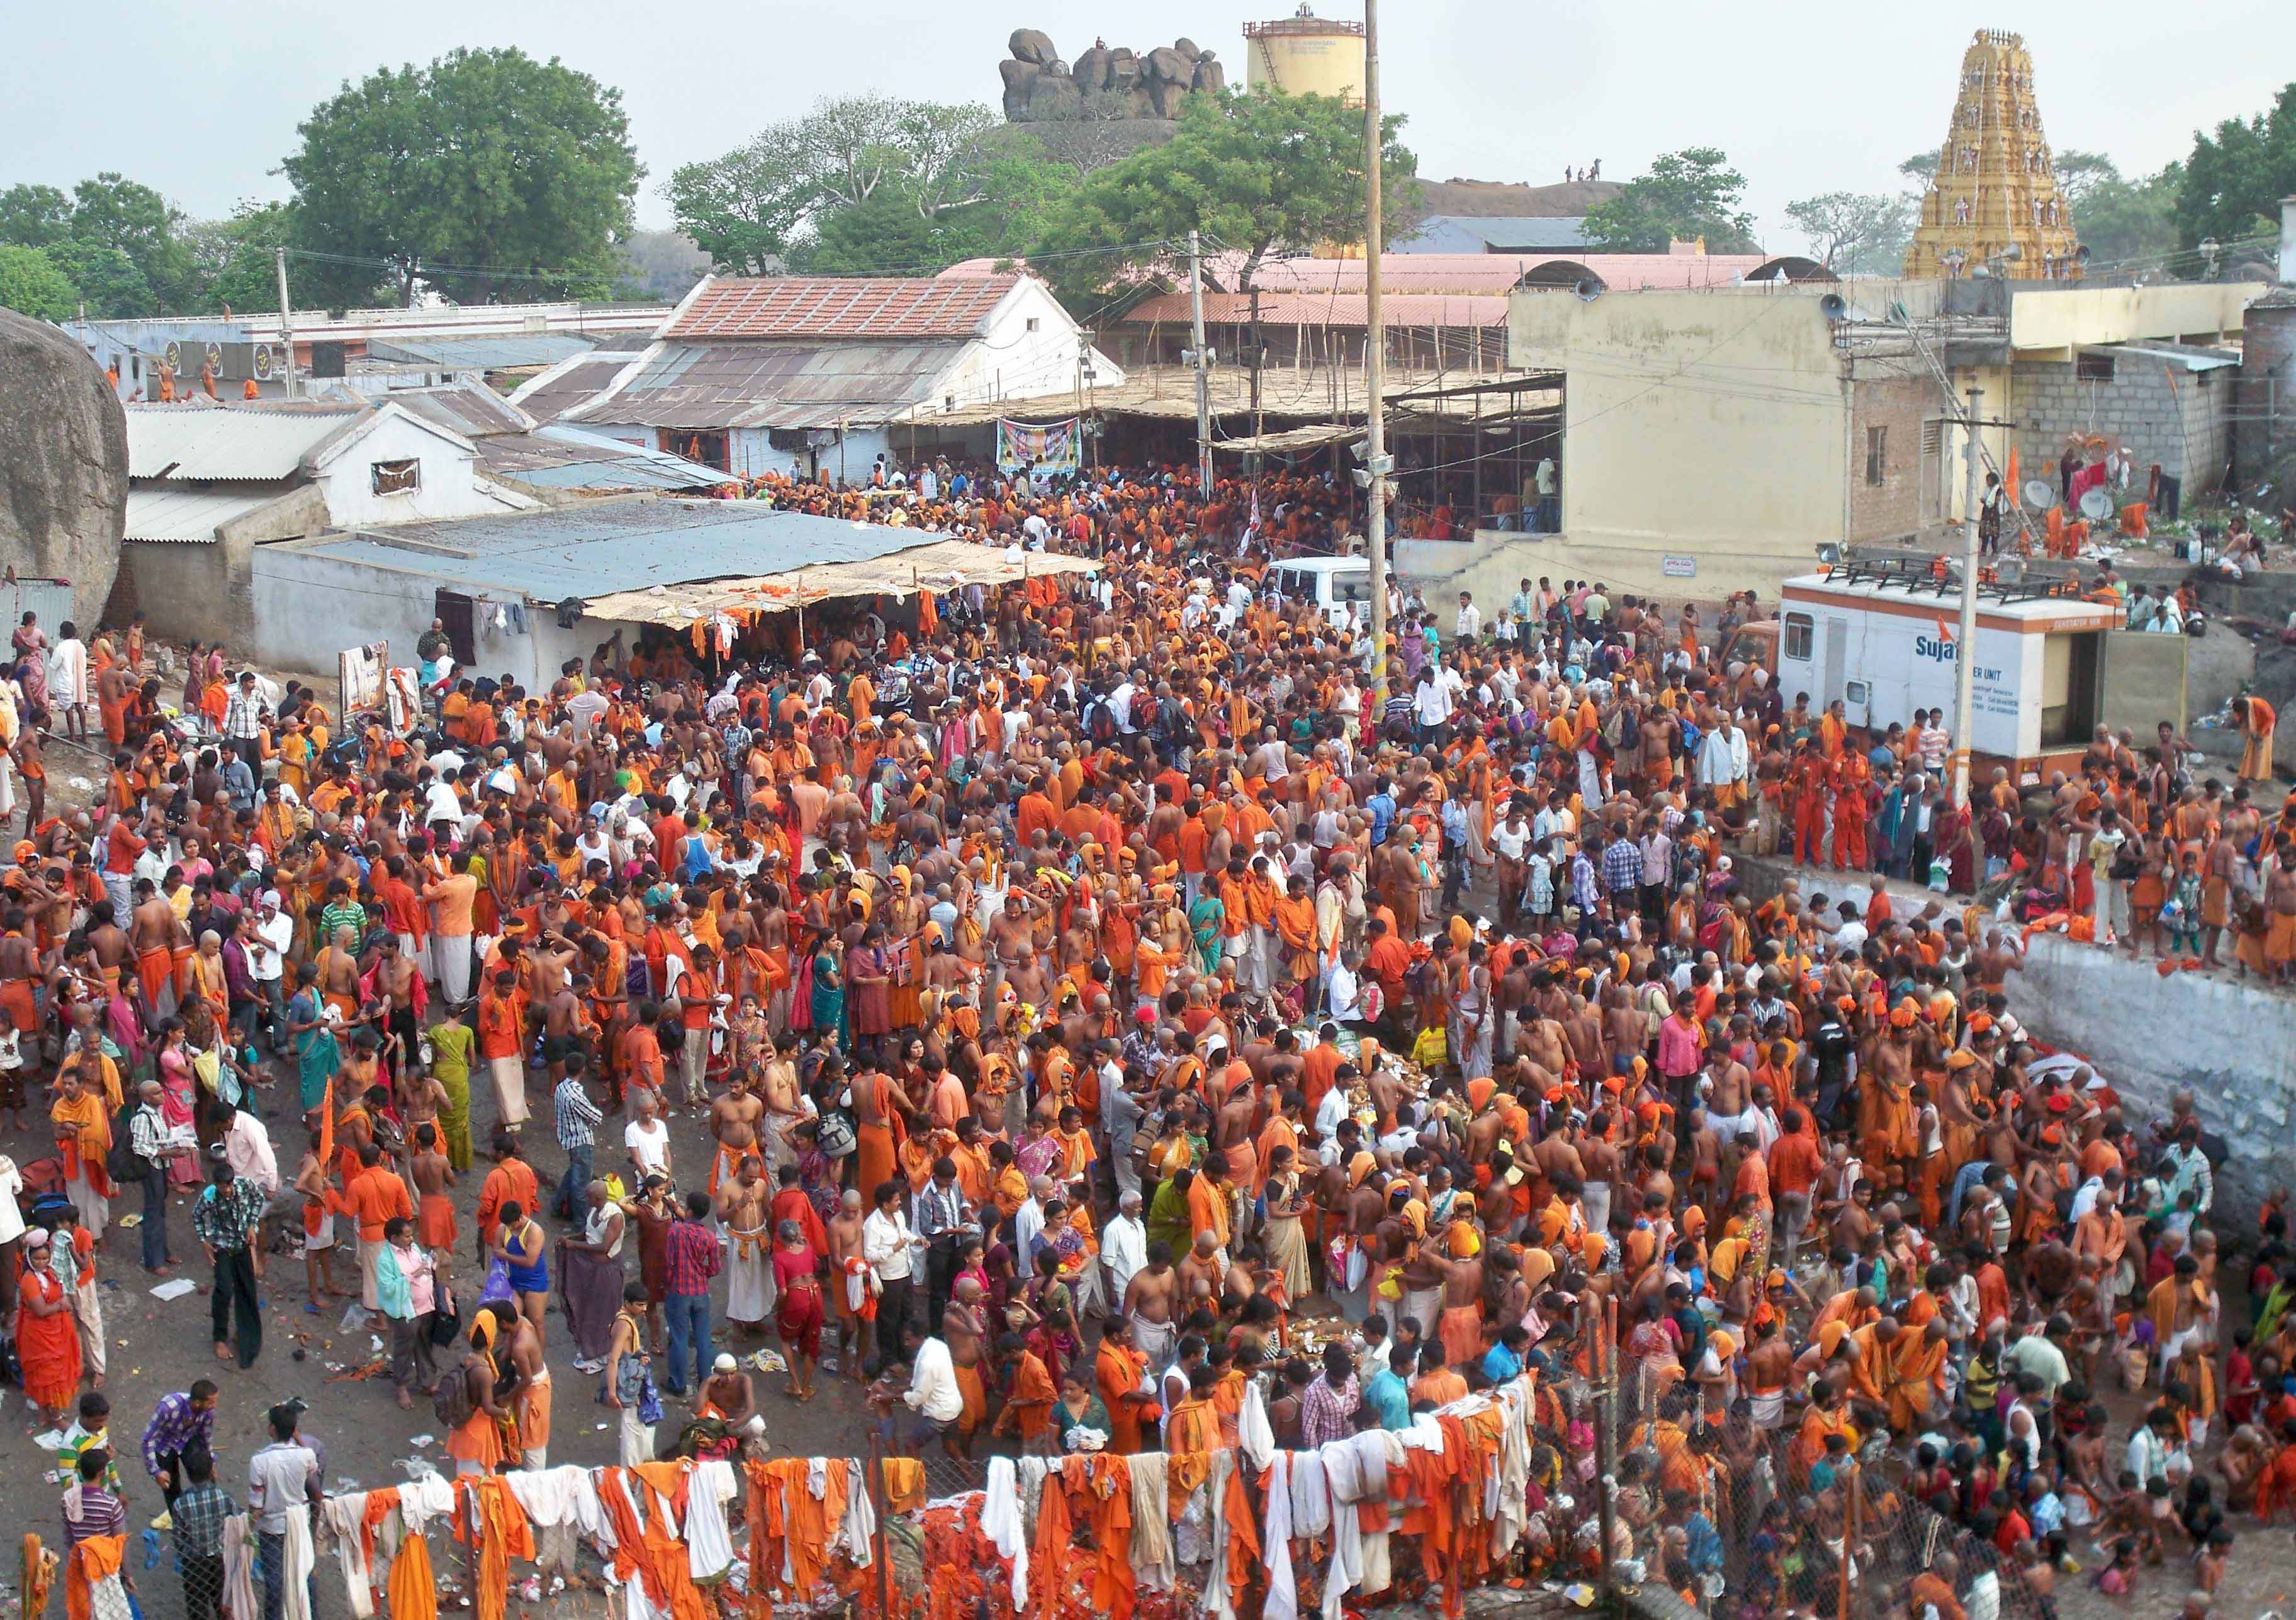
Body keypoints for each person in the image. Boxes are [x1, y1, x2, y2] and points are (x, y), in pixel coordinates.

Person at [247, 1402, 321, 1620]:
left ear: (271, 1429)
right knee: (304, 1574)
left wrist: (248, 1529)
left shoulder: (259, 1462)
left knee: (275, 1581)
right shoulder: (306, 1455)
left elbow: (257, 1506)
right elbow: (313, 1474)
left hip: (272, 1529)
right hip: (298, 1524)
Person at [193, 1154, 266, 1368]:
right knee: (224, 1290)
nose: (226, 1190)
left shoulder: (245, 1185)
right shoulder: (209, 1197)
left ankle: (244, 1333)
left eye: (228, 1186)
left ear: (233, 1182)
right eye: (221, 1187)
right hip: (222, 1248)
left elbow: (258, 1199)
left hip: (242, 1245)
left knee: (247, 1291)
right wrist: (203, 1240)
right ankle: (219, 1338)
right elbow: (197, 1216)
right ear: (215, 1185)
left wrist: (252, 1224)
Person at [662, 1190, 722, 1397]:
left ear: (688, 1211)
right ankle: (706, 1382)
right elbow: (715, 1268)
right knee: (703, 1337)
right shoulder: (710, 1237)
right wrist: (702, 1272)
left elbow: (668, 1263)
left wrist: (667, 1284)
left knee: (679, 1337)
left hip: (679, 1291)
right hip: (701, 1292)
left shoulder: (675, 1232)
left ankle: (678, 1383)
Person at [171, 1443, 235, 1620]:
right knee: (224, 1602)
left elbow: (178, 1539)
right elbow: (235, 1528)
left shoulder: (180, 1504)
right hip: (221, 1559)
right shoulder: (225, 1498)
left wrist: (187, 1556)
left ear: (189, 1475)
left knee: (197, 1607)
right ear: (211, 1471)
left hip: (194, 1562)